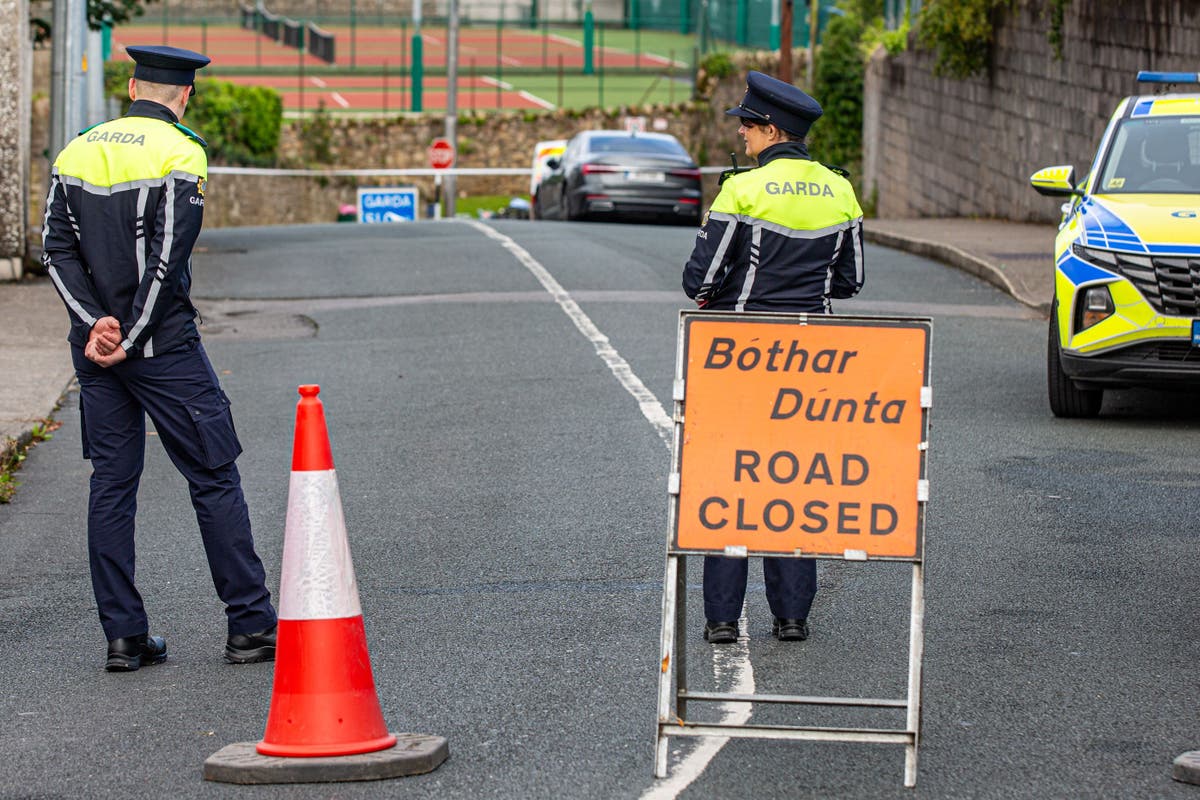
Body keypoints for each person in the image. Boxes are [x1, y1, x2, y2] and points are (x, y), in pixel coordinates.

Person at [42, 45, 278, 672]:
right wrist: (134, 336)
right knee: (213, 474)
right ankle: (250, 626)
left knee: (112, 487)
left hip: (96, 350)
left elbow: (55, 251)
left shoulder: (78, 149)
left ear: (130, 85)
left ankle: (124, 637)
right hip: (163, 347)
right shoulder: (182, 151)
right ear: (185, 95)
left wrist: (96, 326)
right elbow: (167, 262)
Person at [682, 70, 865, 645]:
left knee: (732, 478)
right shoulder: (840, 189)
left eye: (746, 126)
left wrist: (729, 288)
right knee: (794, 481)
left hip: (741, 356)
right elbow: (851, 279)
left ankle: (720, 619)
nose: (741, 137)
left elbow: (700, 279)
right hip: (814, 361)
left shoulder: (740, 190)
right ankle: (791, 616)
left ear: (770, 130)